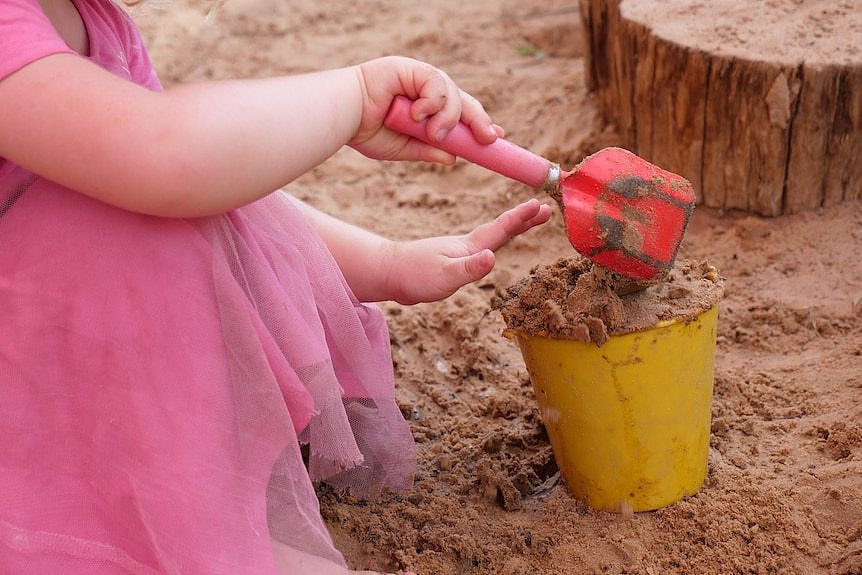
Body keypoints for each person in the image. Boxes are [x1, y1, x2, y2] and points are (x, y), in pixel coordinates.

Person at [0, 0, 552, 573]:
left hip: (102, 382)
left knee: (151, 199)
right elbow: (168, 157)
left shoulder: (91, 17)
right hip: (34, 424)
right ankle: (137, 527)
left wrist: (386, 263)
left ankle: (202, 494)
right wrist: (356, 98)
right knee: (101, 223)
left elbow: (213, 189)